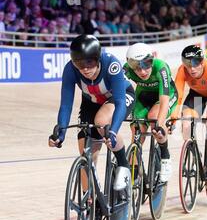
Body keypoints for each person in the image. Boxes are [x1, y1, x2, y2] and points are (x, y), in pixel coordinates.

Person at [48, 34, 135, 192]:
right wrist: (60, 133)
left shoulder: (111, 64)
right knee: (86, 155)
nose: (85, 69)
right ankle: (91, 202)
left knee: (102, 122)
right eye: (80, 64)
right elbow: (66, 105)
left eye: (90, 63)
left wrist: (113, 132)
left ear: (98, 59)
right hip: (91, 102)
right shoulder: (70, 69)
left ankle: (123, 165)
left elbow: (120, 102)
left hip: (119, 97)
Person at [172, 45, 207, 188]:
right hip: (197, 95)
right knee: (186, 124)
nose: (192, 68)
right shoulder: (182, 71)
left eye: (196, 63)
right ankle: (194, 153)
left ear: (202, 62)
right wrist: (173, 118)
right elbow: (177, 98)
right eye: (187, 63)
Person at [124, 42, 178, 182]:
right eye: (137, 67)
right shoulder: (126, 70)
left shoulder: (161, 68)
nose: (142, 72)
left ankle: (165, 158)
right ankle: (134, 172)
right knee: (137, 131)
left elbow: (164, 100)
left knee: (154, 119)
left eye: (146, 65)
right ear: (130, 65)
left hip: (166, 96)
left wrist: (160, 124)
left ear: (152, 60)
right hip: (143, 97)